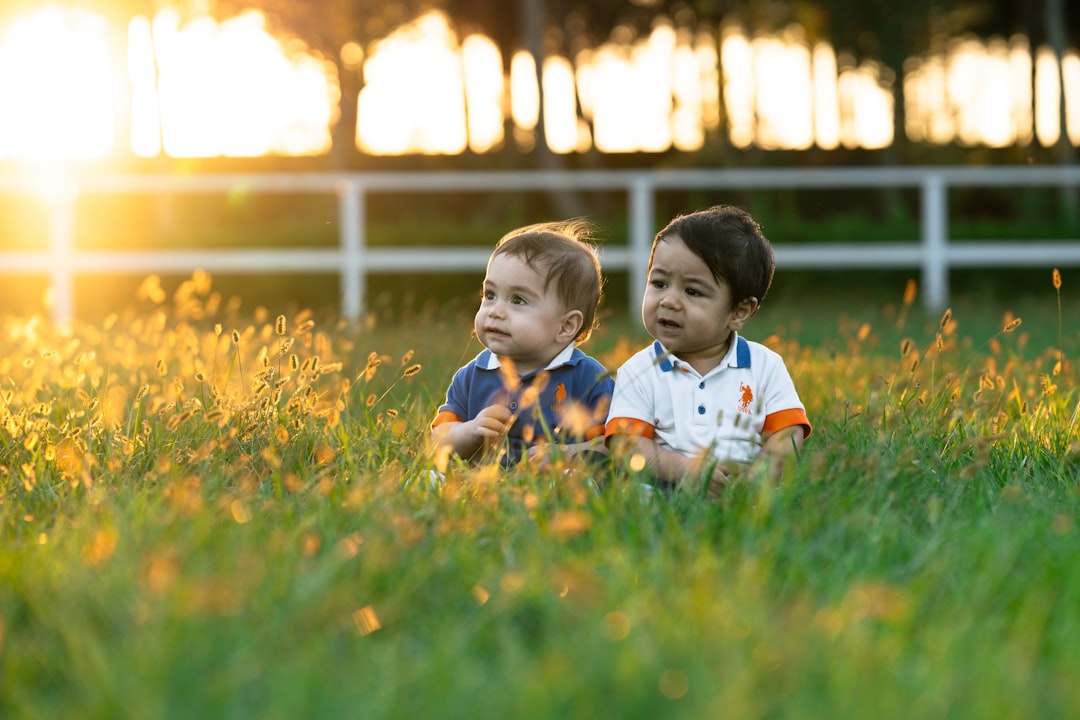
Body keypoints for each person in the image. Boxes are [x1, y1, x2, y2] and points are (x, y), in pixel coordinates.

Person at [605, 205, 810, 499]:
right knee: (633, 495)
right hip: (667, 485)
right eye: (659, 283)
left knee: (787, 501)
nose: (669, 301)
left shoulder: (764, 366)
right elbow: (626, 444)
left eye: (693, 292)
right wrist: (686, 470)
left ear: (739, 312)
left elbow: (787, 433)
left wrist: (759, 478)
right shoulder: (639, 370)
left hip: (743, 486)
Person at [430, 220, 615, 468]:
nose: (495, 311)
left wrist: (565, 454)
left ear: (565, 326)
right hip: (483, 487)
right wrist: (470, 431)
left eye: (517, 300)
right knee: (430, 478)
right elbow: (437, 441)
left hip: (556, 485)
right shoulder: (472, 376)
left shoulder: (587, 378)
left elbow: (611, 445)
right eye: (490, 295)